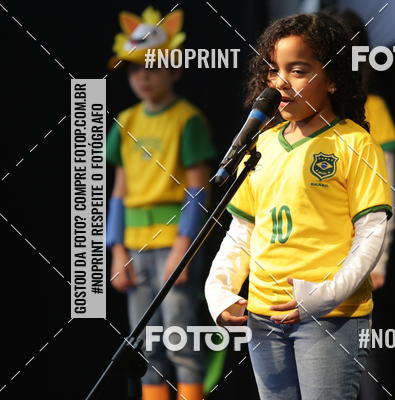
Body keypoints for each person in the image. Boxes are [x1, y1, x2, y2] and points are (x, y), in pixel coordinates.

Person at [205, 13, 393, 399]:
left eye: (298, 70)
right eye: (273, 70)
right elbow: (242, 231)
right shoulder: (261, 144)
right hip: (263, 315)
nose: (281, 82)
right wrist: (219, 289)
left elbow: (371, 233)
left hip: (329, 316)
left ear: (333, 78)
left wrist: (323, 295)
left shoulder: (354, 143)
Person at [105, 6, 217, 400]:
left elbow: (199, 190)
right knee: (145, 344)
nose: (143, 76)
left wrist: (184, 250)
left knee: (179, 338)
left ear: (174, 69)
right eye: (134, 69)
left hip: (172, 244)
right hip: (135, 246)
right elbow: (119, 190)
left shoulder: (187, 120)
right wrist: (116, 250)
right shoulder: (126, 122)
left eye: (152, 66)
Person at [324, 7, 395, 290]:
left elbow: (385, 193)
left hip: (352, 260)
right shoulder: (295, 114)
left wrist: (378, 262)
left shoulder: (374, 111)